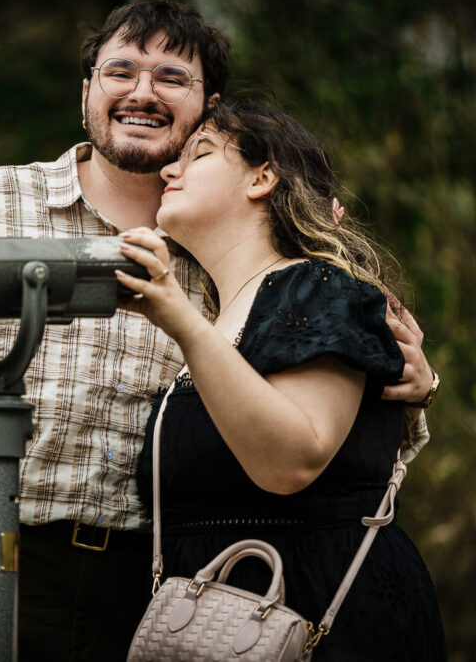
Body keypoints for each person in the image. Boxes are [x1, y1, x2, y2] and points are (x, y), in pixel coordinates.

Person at [0, 0, 437, 662]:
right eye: (120, 71)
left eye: (170, 77)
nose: (141, 91)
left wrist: (414, 383)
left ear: (206, 106)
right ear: (87, 94)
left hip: (137, 576)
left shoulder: (219, 243)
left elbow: (334, 426)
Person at [118, 99, 446, 660]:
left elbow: (293, 460)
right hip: (212, 628)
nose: (168, 170)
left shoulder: (317, 288)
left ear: (262, 177)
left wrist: (180, 321)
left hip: (318, 619)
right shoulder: (227, 309)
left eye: (196, 154)